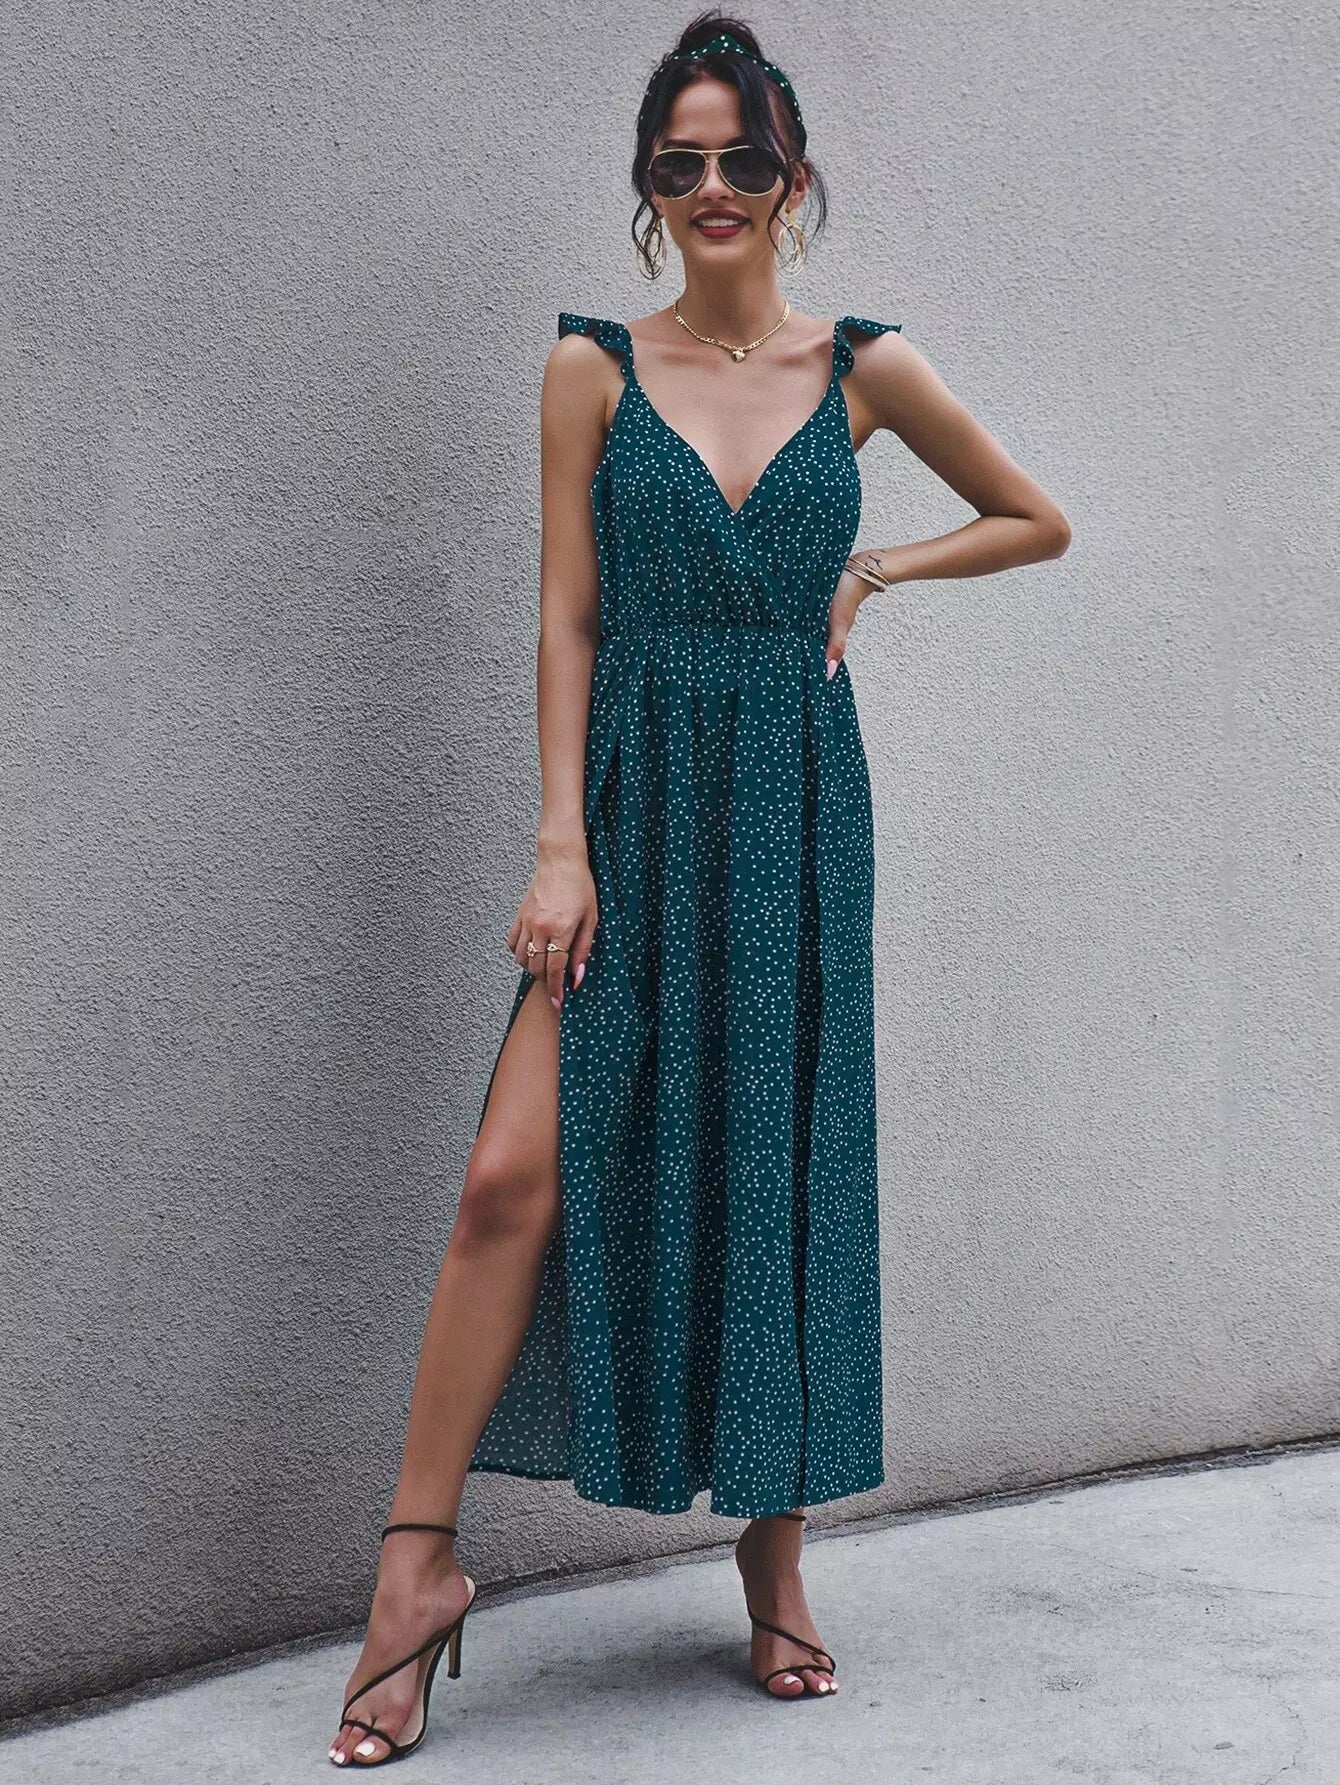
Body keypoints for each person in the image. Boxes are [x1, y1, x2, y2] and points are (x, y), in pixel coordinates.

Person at [328, 11, 1070, 1767]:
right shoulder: (592, 370)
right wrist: (558, 841)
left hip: (797, 811)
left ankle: (776, 1550)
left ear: (793, 176)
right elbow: (567, 615)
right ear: (650, 187)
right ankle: (416, 1566)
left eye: (746, 156)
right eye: (683, 161)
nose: (715, 184)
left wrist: (875, 568)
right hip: (632, 810)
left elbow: (1034, 516)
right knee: (509, 1175)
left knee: (780, 1164)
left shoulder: (864, 367)